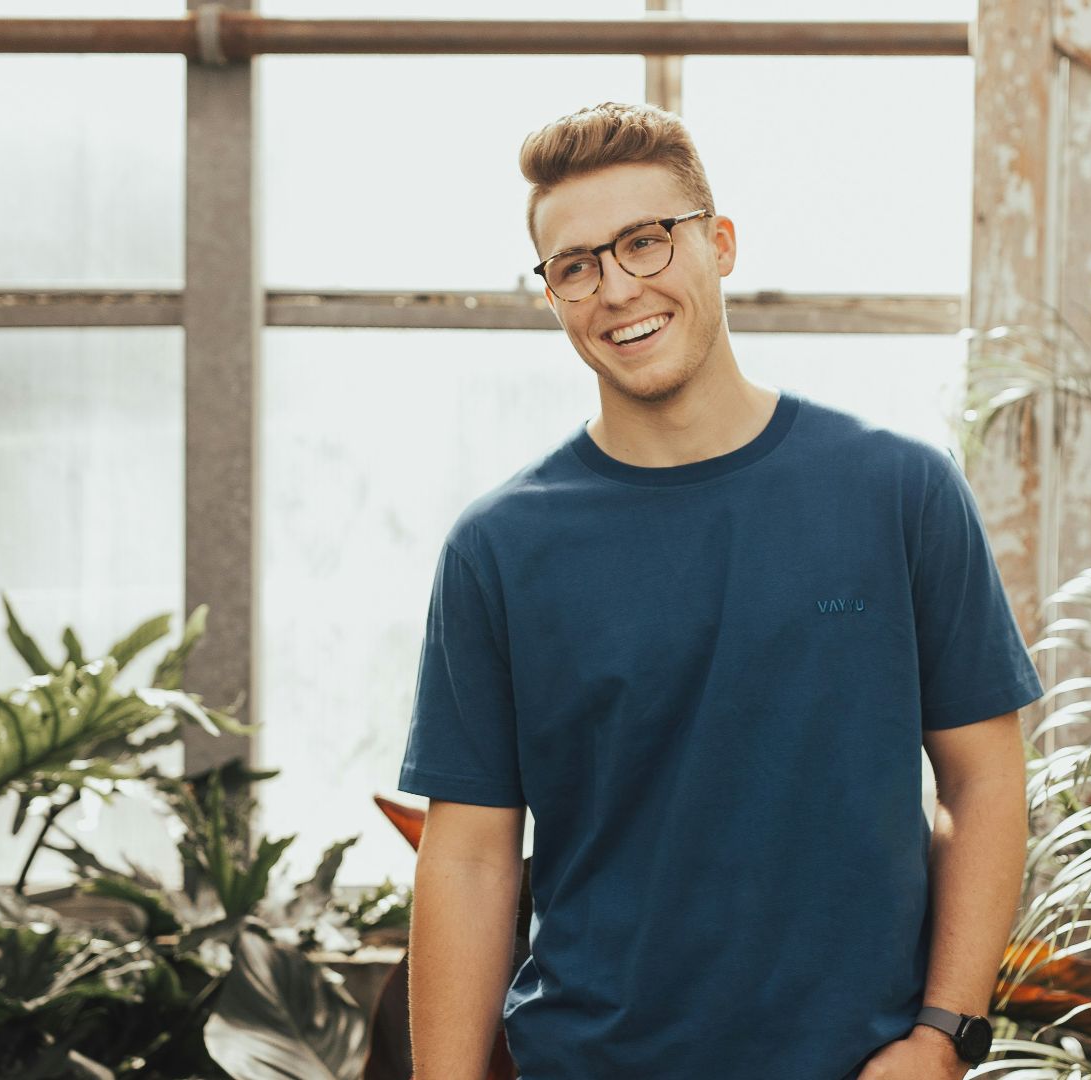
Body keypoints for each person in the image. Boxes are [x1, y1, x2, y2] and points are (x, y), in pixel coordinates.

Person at [397, 101, 1042, 1080]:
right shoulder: (500, 547)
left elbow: (983, 779)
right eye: (577, 266)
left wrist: (944, 1036)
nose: (617, 288)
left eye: (646, 243)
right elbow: (472, 856)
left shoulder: (898, 492)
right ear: (553, 295)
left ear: (720, 244)